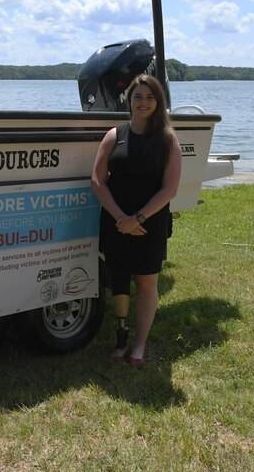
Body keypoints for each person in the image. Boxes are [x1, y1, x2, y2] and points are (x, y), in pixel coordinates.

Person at [91, 74, 182, 366]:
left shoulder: (167, 139)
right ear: (128, 100)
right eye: (138, 97)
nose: (143, 102)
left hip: (149, 223)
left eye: (150, 97)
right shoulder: (114, 135)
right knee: (118, 279)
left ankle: (139, 345)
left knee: (145, 283)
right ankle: (120, 339)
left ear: (158, 102)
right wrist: (121, 217)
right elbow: (97, 179)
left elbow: (170, 188)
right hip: (117, 221)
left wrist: (138, 218)